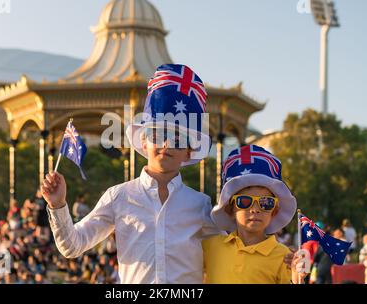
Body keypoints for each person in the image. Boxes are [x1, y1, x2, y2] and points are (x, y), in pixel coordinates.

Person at [41, 64, 218, 283]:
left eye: (178, 139)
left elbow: (224, 262)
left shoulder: (201, 206)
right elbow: (72, 245)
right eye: (157, 134)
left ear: (189, 152)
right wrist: (58, 205)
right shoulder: (119, 196)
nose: (165, 144)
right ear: (143, 141)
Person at [203, 145, 301, 284]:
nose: (255, 210)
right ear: (230, 209)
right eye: (244, 201)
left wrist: (298, 276)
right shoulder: (209, 246)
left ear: (274, 211)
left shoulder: (285, 257)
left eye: (266, 203)